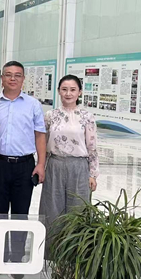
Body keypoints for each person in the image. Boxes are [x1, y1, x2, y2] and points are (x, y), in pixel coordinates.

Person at [0, 60, 46, 279]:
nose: (13, 79)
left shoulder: (33, 104)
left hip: (25, 166)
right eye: (8, 75)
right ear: (2, 78)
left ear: (23, 79)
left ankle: (16, 258)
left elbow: (40, 135)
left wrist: (40, 164)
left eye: (17, 75)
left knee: (21, 213)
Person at [40, 75, 98, 234]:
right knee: (52, 208)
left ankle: (75, 247)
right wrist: (41, 167)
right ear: (58, 91)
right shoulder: (50, 116)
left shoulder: (87, 117)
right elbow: (43, 144)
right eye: (64, 89)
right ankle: (51, 246)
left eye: (73, 90)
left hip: (79, 167)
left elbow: (92, 146)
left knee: (78, 209)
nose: (68, 93)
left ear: (79, 92)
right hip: (55, 165)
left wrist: (93, 174)